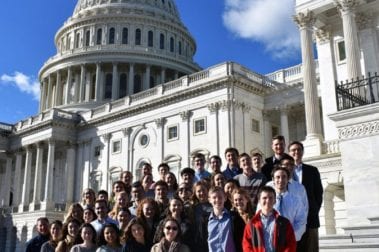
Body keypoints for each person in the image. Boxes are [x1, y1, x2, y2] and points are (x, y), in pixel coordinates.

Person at [289, 141, 323, 252]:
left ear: (302, 152)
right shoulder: (284, 172)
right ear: (289, 153)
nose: (296, 152)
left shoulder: (312, 170)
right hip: (292, 219)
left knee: (311, 249)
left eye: (299, 149)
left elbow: (318, 193)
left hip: (311, 219)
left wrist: (313, 210)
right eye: (293, 150)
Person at [242, 186, 296, 251]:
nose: (268, 201)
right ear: (259, 200)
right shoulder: (252, 224)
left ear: (275, 201)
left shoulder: (284, 223)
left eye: (271, 198)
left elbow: (291, 244)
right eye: (264, 198)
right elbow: (247, 245)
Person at [269, 165, 307, 241]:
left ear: (288, 179)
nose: (281, 180)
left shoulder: (296, 201)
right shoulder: (266, 200)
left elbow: (301, 221)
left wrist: (290, 236)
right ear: (273, 179)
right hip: (270, 240)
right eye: (278, 177)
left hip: (290, 240)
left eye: (284, 177)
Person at [207, 187, 244, 252]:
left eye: (220, 197)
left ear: (225, 198)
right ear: (209, 200)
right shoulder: (207, 220)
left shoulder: (233, 217)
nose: (217, 200)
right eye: (214, 197)